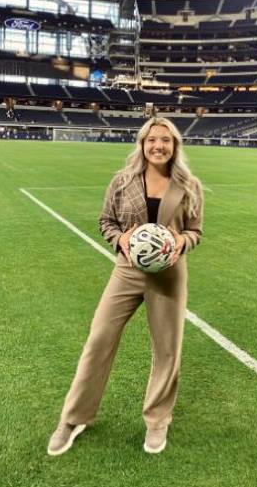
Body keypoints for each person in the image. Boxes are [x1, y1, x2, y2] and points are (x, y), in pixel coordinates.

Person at [47, 116, 204, 456]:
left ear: (175, 146)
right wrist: (122, 238)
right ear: (142, 144)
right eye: (151, 140)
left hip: (169, 275)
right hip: (127, 271)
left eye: (165, 140)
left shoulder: (190, 184)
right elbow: (105, 222)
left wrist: (181, 242)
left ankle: (157, 420)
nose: (158, 145)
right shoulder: (122, 181)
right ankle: (74, 418)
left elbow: (196, 230)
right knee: (99, 339)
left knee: (166, 351)